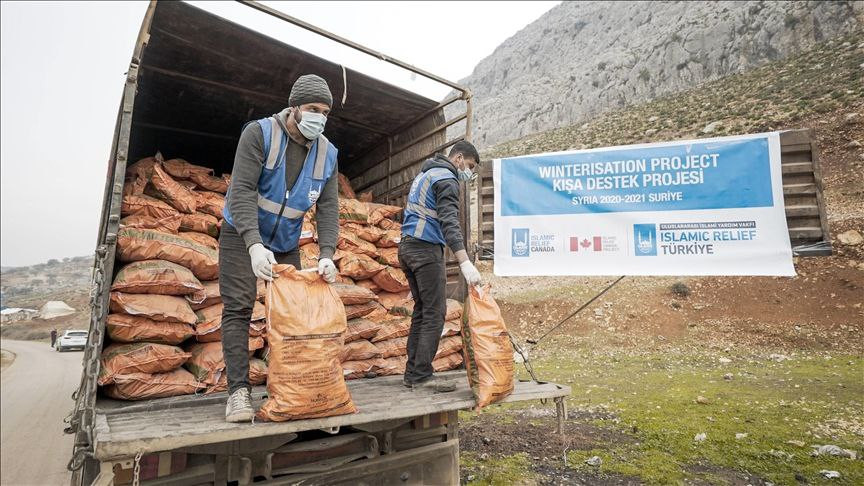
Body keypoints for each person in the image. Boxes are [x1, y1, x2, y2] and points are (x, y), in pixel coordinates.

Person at [220, 74, 340, 422]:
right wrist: (254, 245)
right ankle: (239, 393)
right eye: (313, 109)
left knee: (292, 316)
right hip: (241, 235)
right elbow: (241, 191)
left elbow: (328, 208)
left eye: (326, 112)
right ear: (294, 107)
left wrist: (327, 254)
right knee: (239, 306)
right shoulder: (259, 134)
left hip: (286, 240)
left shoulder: (327, 153)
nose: (320, 116)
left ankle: (287, 389)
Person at [399, 141, 483, 392]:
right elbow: (450, 223)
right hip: (425, 250)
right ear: (458, 158)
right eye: (468, 166)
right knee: (435, 312)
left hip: (407, 248)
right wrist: (464, 261)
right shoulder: (446, 179)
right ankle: (420, 374)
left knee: (423, 311)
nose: (467, 172)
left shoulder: (425, 174)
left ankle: (413, 372)